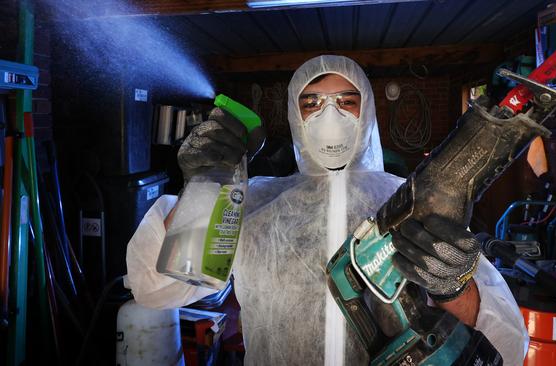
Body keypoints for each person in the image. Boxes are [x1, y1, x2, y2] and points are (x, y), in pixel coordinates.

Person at [125, 55, 528, 365]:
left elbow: (507, 345)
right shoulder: (255, 204)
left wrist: (454, 289)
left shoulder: (416, 201)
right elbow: (155, 288)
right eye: (312, 103)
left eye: (345, 102)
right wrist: (204, 185)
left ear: (367, 111)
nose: (328, 114)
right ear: (294, 117)